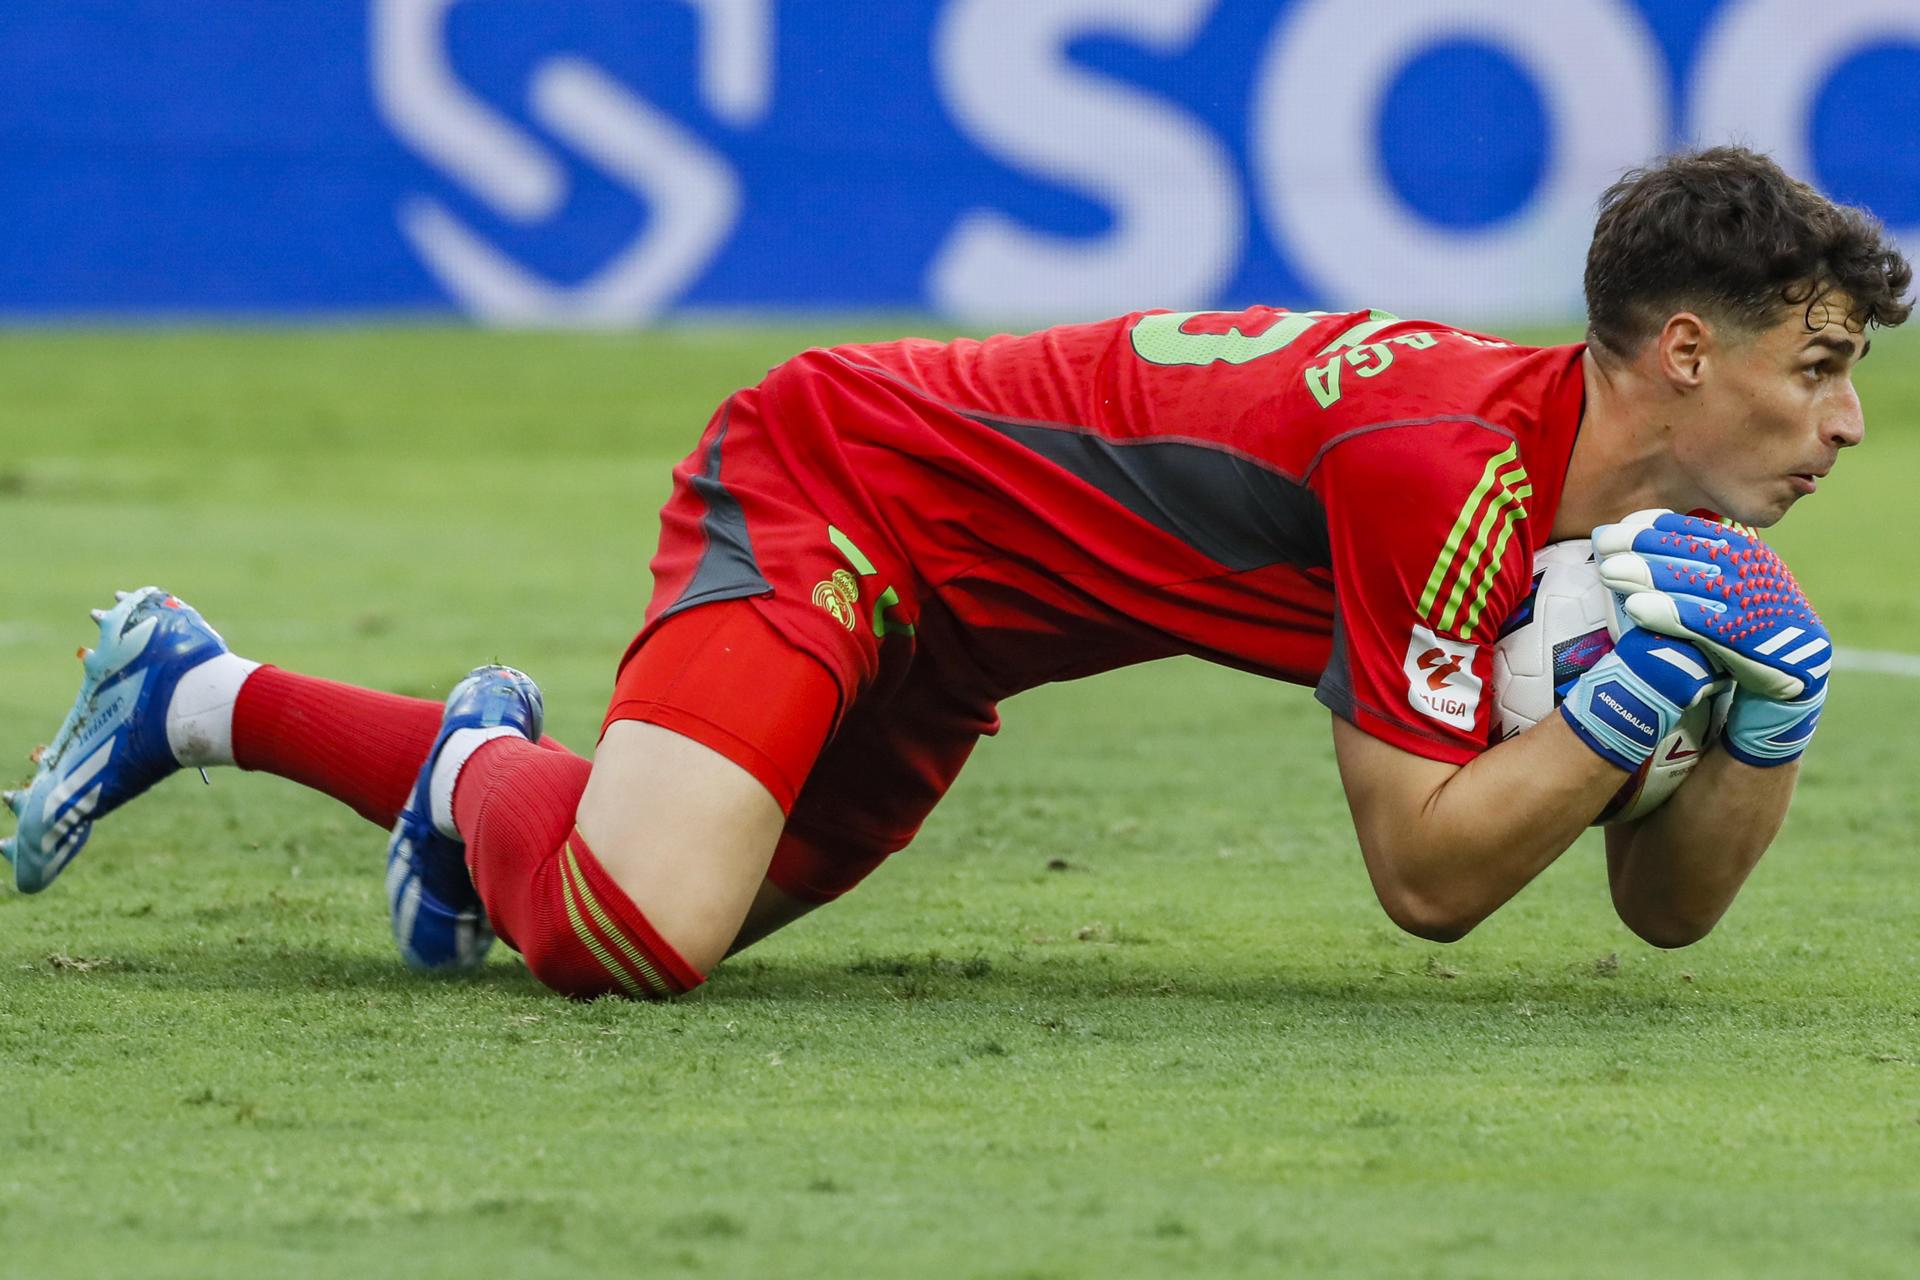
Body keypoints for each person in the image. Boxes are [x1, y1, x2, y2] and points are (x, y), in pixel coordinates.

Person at [5, 147, 1910, 1000]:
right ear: (1682, 352)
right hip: (851, 487)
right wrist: (1628, 706)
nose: (1843, 425)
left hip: (965, 638)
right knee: (638, 937)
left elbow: (1661, 916)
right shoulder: (1444, 470)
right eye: (1818, 369)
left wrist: (1768, 721)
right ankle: (206, 690)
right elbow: (1428, 877)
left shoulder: (1651, 547)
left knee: (600, 929)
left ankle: (473, 797)